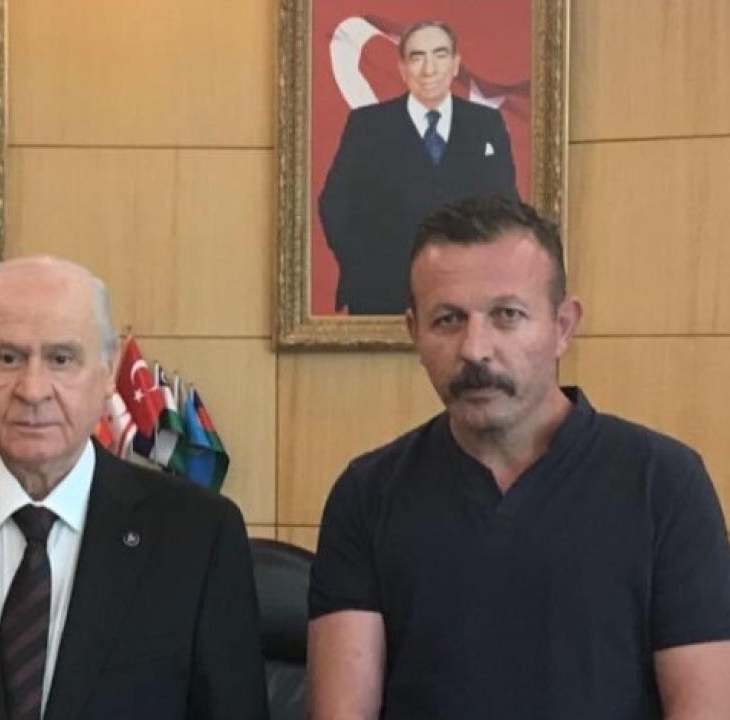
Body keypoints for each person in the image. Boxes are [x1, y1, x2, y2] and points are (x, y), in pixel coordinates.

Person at [307, 195, 730, 719]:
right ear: (414, 333)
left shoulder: (663, 484)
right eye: (447, 320)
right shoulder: (367, 493)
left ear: (563, 326)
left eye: (507, 315)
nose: (475, 349)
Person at [0, 256, 268, 719]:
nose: (33, 389)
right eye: (7, 358)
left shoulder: (198, 536)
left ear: (107, 371)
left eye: (61, 359)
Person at [318, 20, 519, 315]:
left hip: (468, 296)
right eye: (417, 57)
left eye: (440, 55)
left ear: (455, 64)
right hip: (382, 296)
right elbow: (335, 204)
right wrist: (364, 268)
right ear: (402, 68)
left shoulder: (485, 124)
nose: (429, 69)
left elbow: (506, 206)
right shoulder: (368, 125)